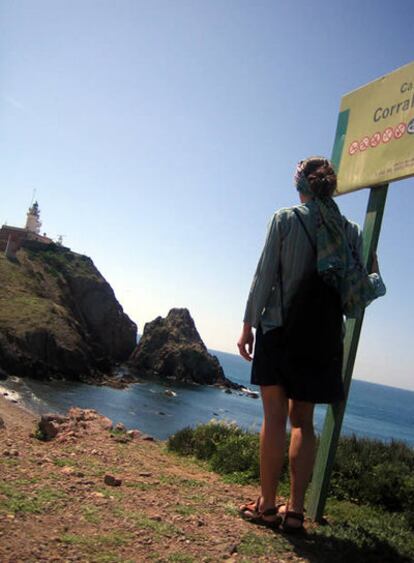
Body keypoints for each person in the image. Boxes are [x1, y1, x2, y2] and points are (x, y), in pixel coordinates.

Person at [237, 156, 386, 533]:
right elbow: (364, 276)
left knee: (274, 418)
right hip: (321, 336)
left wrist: (247, 325)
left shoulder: (285, 219)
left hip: (278, 329)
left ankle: (267, 505)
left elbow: (264, 274)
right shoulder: (349, 229)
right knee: (303, 421)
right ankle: (296, 512)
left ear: (300, 185)